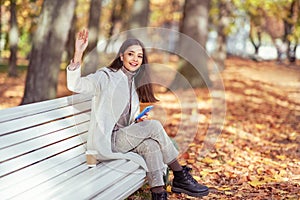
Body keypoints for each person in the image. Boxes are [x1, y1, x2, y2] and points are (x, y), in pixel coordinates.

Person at [66, 29, 209, 200]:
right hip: (107, 141)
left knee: (151, 145)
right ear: (121, 56)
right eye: (131, 54)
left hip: (123, 138)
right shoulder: (105, 76)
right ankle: (179, 174)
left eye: (139, 56)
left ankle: (158, 194)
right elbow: (76, 85)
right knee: (154, 125)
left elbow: (122, 118)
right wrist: (78, 53)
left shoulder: (133, 81)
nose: (135, 59)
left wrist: (136, 120)